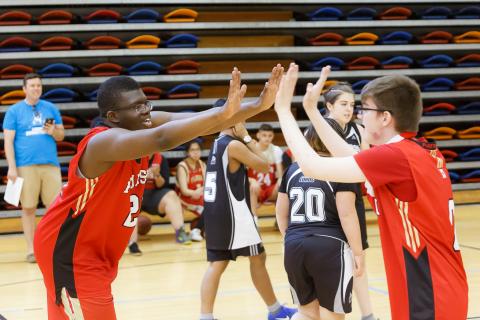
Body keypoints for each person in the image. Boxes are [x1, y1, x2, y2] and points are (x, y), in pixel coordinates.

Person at [33, 65, 284, 319]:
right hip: (71, 253)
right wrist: (224, 114)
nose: (145, 111)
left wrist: (258, 105)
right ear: (113, 116)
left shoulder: (142, 123)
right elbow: (162, 138)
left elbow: (195, 122)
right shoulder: (102, 143)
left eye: (145, 103)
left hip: (93, 250)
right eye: (136, 107)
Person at [274, 63, 468, 319]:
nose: (359, 116)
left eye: (364, 110)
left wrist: (283, 112)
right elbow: (348, 155)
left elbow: (312, 166)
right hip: (437, 283)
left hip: (427, 286)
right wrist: (312, 111)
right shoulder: (416, 150)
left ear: (385, 117)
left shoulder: (396, 157)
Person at [200, 122, 297, 320]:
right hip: (233, 214)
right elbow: (264, 165)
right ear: (234, 122)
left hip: (216, 211)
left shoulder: (216, 143)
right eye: (241, 120)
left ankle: (206, 316)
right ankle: (275, 311)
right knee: (256, 257)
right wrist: (246, 137)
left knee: (219, 264)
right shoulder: (233, 144)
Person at [276, 121, 364, 320]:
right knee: (332, 314)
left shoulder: (292, 170)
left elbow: (281, 213)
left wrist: (291, 238)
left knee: (306, 313)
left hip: (294, 245)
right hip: (329, 246)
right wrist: (358, 252)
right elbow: (347, 214)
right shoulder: (341, 168)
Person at [323, 83, 377, 320]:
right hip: (327, 203)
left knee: (358, 257)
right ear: (328, 106)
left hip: (352, 199)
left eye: (352, 105)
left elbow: (368, 162)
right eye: (343, 104)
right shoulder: (319, 130)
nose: (349, 109)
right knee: (331, 263)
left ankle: (368, 315)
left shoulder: (357, 129)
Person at [3, 73, 64, 263]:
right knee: (28, 208)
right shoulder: (14, 111)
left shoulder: (50, 108)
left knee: (55, 208)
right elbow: (8, 141)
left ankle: (53, 247)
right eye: (32, 86)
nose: (36, 88)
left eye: (38, 85)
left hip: (50, 164)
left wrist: (54, 131)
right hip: (25, 166)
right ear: (24, 89)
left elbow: (61, 136)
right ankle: (31, 250)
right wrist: (12, 167)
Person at [139, 152, 191, 248]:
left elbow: (163, 185)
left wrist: (157, 175)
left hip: (153, 196)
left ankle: (180, 232)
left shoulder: (160, 158)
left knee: (171, 195)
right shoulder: (134, 158)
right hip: (135, 194)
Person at [248, 123, 283, 215]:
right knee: (252, 186)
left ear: (273, 136)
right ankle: (254, 221)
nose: (267, 138)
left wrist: (280, 182)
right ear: (258, 135)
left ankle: (281, 220)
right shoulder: (251, 149)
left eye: (270, 136)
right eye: (264, 135)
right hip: (255, 189)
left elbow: (280, 175)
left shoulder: (276, 150)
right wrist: (252, 180)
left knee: (282, 186)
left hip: (270, 189)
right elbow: (243, 174)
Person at [176, 140, 206, 241]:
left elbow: (207, 184)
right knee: (208, 208)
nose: (196, 152)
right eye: (192, 150)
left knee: (215, 204)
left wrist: (201, 191)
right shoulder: (182, 166)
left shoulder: (202, 164)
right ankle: (195, 231)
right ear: (188, 152)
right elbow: (184, 191)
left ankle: (205, 230)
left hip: (199, 197)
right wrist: (195, 193)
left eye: (198, 149)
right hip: (184, 199)